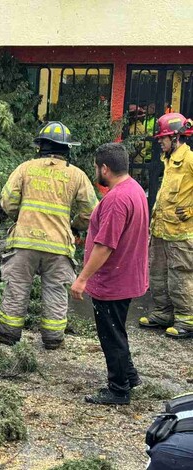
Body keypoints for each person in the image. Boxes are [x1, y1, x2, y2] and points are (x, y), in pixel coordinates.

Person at [0, 121, 98, 350]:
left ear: (40, 146)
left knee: (17, 287)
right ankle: (53, 339)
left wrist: (20, 217)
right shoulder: (77, 176)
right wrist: (73, 226)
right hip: (58, 245)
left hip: (24, 242)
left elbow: (7, 201)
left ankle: (8, 335)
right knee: (55, 290)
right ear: (67, 149)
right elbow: (91, 212)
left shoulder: (25, 168)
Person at [70, 143, 149, 405]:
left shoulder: (116, 199)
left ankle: (118, 390)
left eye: (96, 167)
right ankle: (130, 376)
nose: (96, 171)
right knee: (118, 330)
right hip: (127, 276)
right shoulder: (135, 189)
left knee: (111, 335)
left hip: (113, 280)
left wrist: (82, 278)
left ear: (105, 168)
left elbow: (105, 245)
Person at [138, 113, 193, 338]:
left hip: (181, 233)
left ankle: (186, 319)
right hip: (161, 229)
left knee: (180, 276)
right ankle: (162, 313)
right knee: (158, 273)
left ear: (177, 137)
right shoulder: (169, 160)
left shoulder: (189, 160)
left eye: (164, 138)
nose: (160, 142)